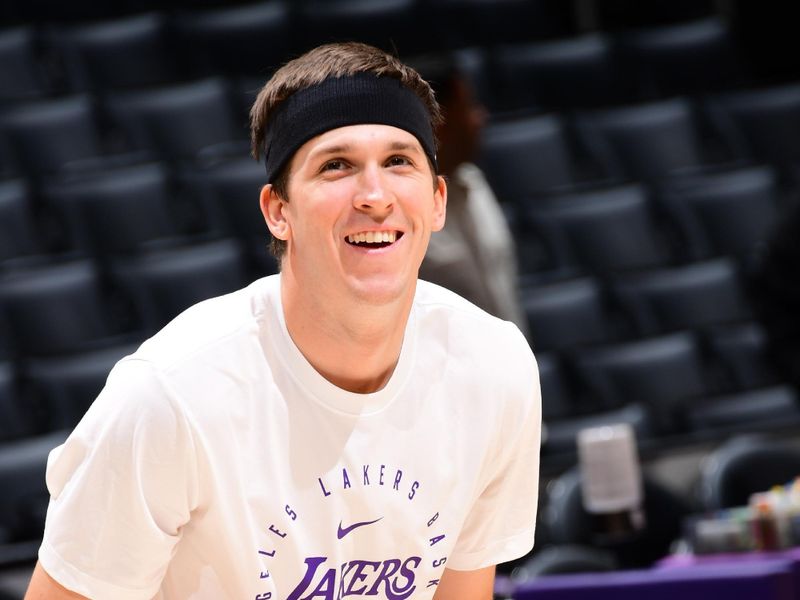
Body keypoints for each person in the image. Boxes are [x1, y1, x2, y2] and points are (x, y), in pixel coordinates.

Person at [25, 42, 541, 600]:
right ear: (278, 211)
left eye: (398, 161)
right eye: (336, 166)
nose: (374, 195)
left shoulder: (494, 368)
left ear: (437, 200)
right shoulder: (169, 398)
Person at [416, 58, 529, 335]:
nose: (481, 118)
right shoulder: (401, 208)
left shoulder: (476, 182)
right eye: (469, 107)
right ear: (440, 123)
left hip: (512, 365)